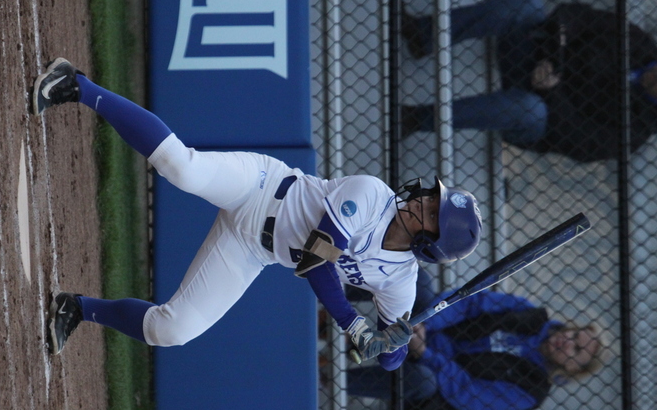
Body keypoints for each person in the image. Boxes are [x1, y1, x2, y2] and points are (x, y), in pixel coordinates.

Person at [29, 58, 483, 366]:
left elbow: (388, 361)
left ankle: (78, 309)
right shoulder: (372, 195)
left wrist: (394, 341)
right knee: (182, 168)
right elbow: (314, 263)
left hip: (251, 249)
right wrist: (354, 324)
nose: (423, 199)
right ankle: (78, 85)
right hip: (261, 187)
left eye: (431, 211)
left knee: (174, 330)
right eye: (431, 197)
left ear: (430, 242)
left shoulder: (401, 283)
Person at [401, 0, 657, 162]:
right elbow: (577, 15)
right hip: (533, 56)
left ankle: (415, 119)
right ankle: (422, 35)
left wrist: (551, 89)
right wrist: (552, 55)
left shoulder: (636, 131)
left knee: (530, 111)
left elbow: (574, 138)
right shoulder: (640, 43)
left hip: (539, 110)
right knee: (528, 4)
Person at [346, 269, 613, 410]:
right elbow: (470, 304)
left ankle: (331, 378)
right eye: (575, 334)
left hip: (431, 374)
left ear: (573, 369)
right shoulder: (529, 315)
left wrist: (425, 353)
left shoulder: (532, 391)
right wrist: (427, 323)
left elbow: (467, 392)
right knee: (419, 280)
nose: (569, 341)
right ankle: (334, 290)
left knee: (422, 380)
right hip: (426, 329)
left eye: (576, 350)